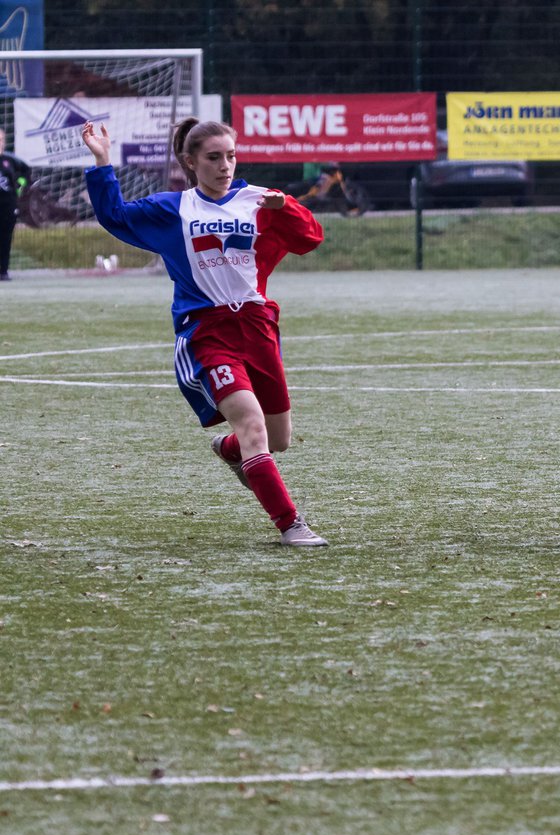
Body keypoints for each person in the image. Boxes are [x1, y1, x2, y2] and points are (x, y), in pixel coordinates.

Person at [81, 118, 329, 546]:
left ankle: (230, 449)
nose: (225, 165)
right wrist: (102, 161)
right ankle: (291, 524)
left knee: (277, 439)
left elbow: (311, 238)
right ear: (189, 162)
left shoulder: (257, 201)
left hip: (258, 327)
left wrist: (283, 206)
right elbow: (114, 216)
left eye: (231, 156)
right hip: (207, 332)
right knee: (252, 424)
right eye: (214, 158)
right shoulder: (172, 208)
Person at [0, 128, 31, 281]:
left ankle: (3, 271)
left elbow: (26, 171)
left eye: (0, 139)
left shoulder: (10, 160)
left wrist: (20, 185)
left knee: (5, 238)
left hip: (7, 206)